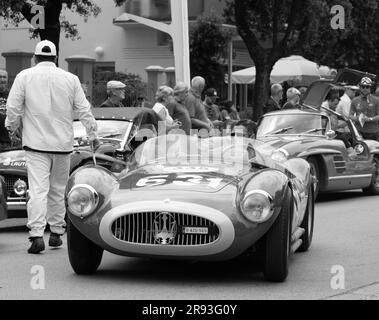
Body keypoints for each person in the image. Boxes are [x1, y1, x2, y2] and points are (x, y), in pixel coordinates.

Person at [5, 40, 99, 254]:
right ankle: (56, 232)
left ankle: (37, 235)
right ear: (56, 58)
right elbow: (84, 109)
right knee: (57, 190)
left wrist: (12, 128)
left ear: (35, 58)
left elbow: (13, 107)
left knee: (38, 190)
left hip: (36, 144)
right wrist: (93, 134)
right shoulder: (71, 79)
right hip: (62, 144)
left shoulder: (24, 77)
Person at [322, 91, 356, 158]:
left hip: (331, 131)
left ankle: (351, 151)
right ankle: (351, 153)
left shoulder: (330, 109)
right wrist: (339, 125)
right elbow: (327, 124)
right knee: (342, 137)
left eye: (337, 104)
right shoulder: (323, 109)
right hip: (325, 134)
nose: (336, 106)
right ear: (329, 101)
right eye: (335, 104)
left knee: (347, 135)